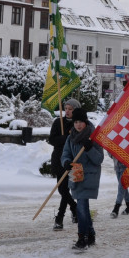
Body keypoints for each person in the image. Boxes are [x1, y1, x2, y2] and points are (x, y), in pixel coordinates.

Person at [61, 109, 103, 251]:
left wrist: (89, 148)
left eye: (81, 122)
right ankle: (90, 234)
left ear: (86, 122)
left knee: (81, 207)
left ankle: (82, 237)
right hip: (76, 175)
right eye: (76, 122)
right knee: (83, 207)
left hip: (89, 176)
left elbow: (99, 159)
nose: (78, 125)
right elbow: (65, 153)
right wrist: (66, 162)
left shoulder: (93, 137)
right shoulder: (71, 137)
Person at [48, 98, 79, 230]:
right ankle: (75, 209)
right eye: (66, 108)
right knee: (62, 190)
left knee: (70, 189)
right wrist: (64, 138)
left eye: (70, 109)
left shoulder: (78, 124)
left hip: (74, 161)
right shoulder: (58, 122)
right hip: (59, 160)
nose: (67, 111)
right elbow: (52, 140)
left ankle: (60, 218)